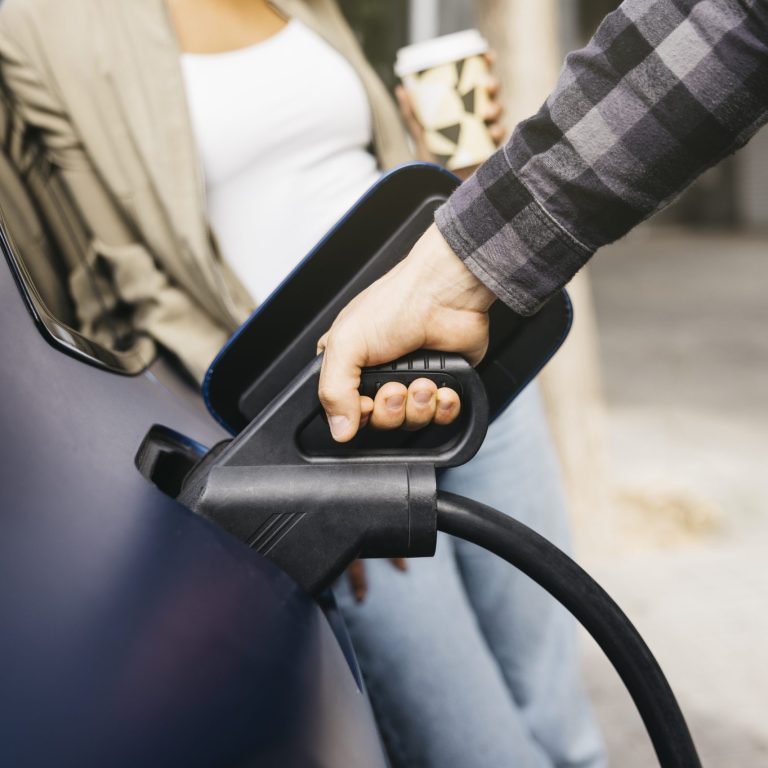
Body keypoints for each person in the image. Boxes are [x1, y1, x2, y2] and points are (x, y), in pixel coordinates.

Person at [0, 1, 605, 766]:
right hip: (322, 420)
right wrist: (272, 456)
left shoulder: (303, 3)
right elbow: (116, 293)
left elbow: (359, 175)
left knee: (564, 721)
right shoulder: (45, 27)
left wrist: (452, 166)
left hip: (454, 360)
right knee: (480, 750)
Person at [318, 0, 768, 442]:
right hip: (378, 320)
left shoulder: (316, 19)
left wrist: (442, 273)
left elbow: (720, 26)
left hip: (433, 309)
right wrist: (442, 279)